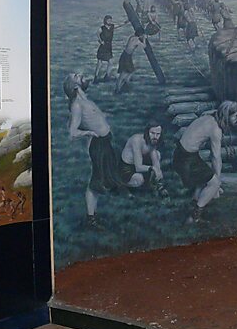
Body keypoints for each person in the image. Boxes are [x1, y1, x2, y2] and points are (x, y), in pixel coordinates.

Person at [65, 73, 127, 229]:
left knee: (111, 169)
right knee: (95, 183)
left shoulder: (86, 100)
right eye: (77, 76)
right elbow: (72, 132)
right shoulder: (77, 105)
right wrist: (89, 133)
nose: (81, 75)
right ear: (74, 86)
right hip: (98, 144)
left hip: (106, 141)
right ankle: (91, 218)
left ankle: (115, 188)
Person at [173, 101, 237, 223]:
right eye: (235, 115)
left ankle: (193, 204)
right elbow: (215, 156)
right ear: (226, 115)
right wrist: (217, 182)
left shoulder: (210, 116)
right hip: (186, 159)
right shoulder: (215, 130)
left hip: (181, 154)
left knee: (204, 180)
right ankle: (194, 217)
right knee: (213, 183)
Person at [120, 122, 167, 197]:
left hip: (141, 163)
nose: (155, 136)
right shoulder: (137, 140)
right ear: (147, 132)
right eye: (152, 133)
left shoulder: (153, 141)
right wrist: (154, 168)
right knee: (139, 180)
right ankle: (122, 185)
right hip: (127, 168)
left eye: (158, 134)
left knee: (157, 154)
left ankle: (152, 185)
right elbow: (138, 167)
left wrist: (158, 173)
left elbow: (155, 161)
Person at [115, 28, 146, 94]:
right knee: (124, 73)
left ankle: (125, 83)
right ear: (140, 35)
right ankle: (118, 89)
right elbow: (144, 46)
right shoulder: (137, 40)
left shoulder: (132, 37)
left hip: (125, 55)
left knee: (130, 70)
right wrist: (144, 39)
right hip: (127, 57)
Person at [94, 15, 116, 83]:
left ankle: (107, 76)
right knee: (99, 63)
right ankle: (96, 77)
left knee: (110, 62)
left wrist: (126, 22)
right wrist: (100, 41)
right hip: (103, 47)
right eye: (108, 20)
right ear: (105, 21)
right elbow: (97, 34)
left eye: (110, 20)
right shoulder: (102, 28)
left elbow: (119, 25)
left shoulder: (112, 26)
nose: (109, 21)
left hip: (109, 46)